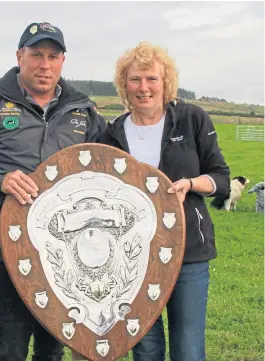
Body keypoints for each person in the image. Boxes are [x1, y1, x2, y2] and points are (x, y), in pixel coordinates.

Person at [0, 21, 105, 361]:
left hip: (64, 251)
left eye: (53, 57)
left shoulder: (81, 109)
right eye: (36, 55)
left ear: (62, 61)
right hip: (7, 246)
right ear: (19, 56)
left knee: (53, 344)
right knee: (10, 347)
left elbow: (107, 163)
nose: (45, 65)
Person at [99, 41, 230, 361]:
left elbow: (222, 178)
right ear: (124, 85)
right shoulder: (112, 132)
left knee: (187, 349)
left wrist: (192, 183)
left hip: (188, 252)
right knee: (145, 347)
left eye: (151, 78)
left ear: (165, 82)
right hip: (131, 258)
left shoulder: (191, 118)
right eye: (135, 80)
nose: (143, 87)